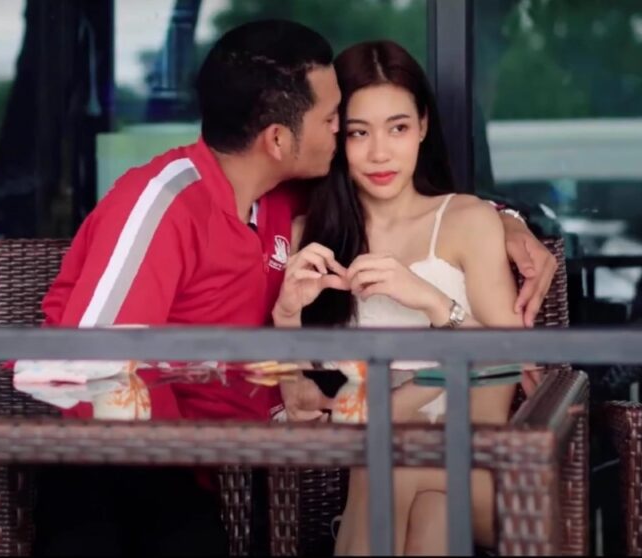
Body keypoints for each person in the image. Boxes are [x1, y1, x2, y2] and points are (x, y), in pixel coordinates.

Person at [33, 20, 556, 556]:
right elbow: (92, 363)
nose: (366, 146)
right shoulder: (187, 205)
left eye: (394, 127)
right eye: (342, 126)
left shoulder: (282, 199)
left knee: (400, 475)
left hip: (221, 465)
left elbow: (414, 211)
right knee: (414, 499)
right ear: (279, 140)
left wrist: (505, 223)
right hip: (122, 460)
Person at [271, 40, 524, 555]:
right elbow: (300, 400)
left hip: (482, 464)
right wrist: (286, 316)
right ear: (338, 136)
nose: (380, 153)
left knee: (395, 458)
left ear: (423, 127)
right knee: (429, 518)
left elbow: (507, 373)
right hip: (380, 470)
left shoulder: (468, 221)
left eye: (398, 128)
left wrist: (432, 302)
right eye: (359, 132)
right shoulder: (312, 238)